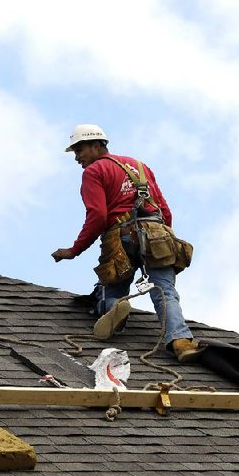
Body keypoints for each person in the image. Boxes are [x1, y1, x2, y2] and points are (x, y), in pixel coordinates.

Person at [51, 124, 202, 362]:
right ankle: (181, 341)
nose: (77, 157)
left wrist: (74, 250)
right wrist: (165, 239)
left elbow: (98, 215)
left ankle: (114, 309)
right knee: (165, 291)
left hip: (120, 237)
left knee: (112, 289)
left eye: (80, 150)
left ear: (97, 145)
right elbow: (164, 209)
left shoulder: (93, 172)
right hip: (157, 233)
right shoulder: (140, 166)